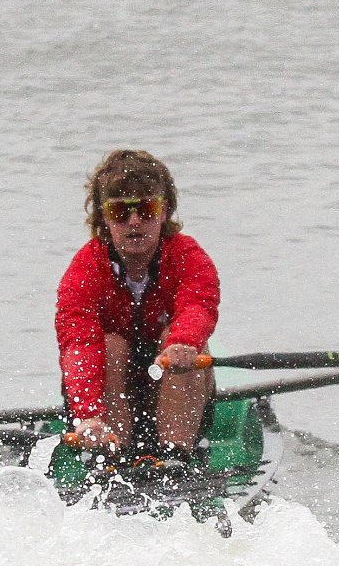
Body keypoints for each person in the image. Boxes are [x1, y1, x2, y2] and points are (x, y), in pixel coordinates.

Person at [54, 150, 219, 464]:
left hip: (173, 390)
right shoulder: (84, 270)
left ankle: (175, 459)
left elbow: (198, 305)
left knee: (182, 341)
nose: (134, 222)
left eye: (145, 209)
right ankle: (113, 457)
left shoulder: (188, 256)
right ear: (104, 218)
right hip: (109, 406)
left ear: (163, 211)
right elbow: (79, 345)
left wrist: (184, 342)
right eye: (120, 212)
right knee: (110, 345)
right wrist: (87, 414)